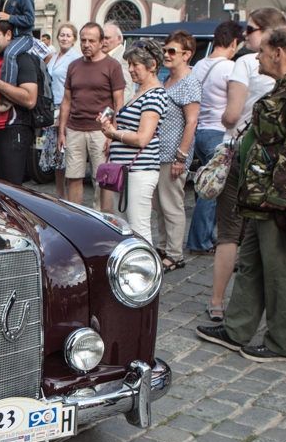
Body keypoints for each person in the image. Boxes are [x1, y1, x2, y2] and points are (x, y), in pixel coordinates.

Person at [196, 27, 286, 363]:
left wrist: (280, 196)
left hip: (275, 197)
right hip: (257, 194)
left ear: (279, 52)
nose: (257, 58)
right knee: (251, 263)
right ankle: (237, 329)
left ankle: (283, 343)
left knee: (280, 268)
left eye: (263, 51)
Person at [202, 9, 286, 323]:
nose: (244, 35)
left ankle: (217, 303)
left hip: (241, 152)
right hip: (276, 160)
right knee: (263, 235)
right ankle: (260, 311)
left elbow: (231, 115)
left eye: (249, 29)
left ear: (265, 31)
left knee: (228, 233)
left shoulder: (247, 63)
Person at [186, 21, 243, 273]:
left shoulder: (200, 64)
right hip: (218, 132)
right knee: (212, 190)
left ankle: (202, 235)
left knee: (202, 186)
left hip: (199, 131)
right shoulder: (230, 67)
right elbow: (235, 105)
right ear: (234, 42)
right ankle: (200, 240)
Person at [98, 40, 168, 242]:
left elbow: (142, 138)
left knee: (138, 228)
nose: (130, 70)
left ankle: (147, 270)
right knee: (124, 226)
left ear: (152, 65)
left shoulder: (154, 95)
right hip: (125, 171)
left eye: (136, 65)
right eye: (129, 64)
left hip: (139, 171)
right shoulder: (140, 92)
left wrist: (114, 134)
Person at [58, 23, 125, 211]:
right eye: (84, 40)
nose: (86, 44)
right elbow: (66, 101)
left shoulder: (112, 66)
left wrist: (113, 133)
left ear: (102, 42)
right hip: (74, 129)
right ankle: (75, 218)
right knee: (73, 177)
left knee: (103, 181)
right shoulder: (74, 65)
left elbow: (118, 103)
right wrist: (62, 131)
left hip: (101, 132)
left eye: (91, 41)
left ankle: (105, 221)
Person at [154, 30, 201, 273]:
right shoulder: (167, 79)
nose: (166, 54)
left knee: (172, 204)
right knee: (160, 205)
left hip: (173, 155)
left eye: (172, 51)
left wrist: (181, 157)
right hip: (159, 153)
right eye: (165, 50)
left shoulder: (189, 82)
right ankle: (163, 247)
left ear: (187, 55)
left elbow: (192, 122)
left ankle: (175, 254)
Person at [0, 17, 38, 185]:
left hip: (12, 131)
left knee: (10, 190)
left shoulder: (22, 59)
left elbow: (30, 99)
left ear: (8, 34)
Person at [41, 23, 81, 200]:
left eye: (68, 35)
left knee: (63, 151)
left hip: (64, 106)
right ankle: (59, 192)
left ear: (74, 39)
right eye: (62, 35)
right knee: (56, 154)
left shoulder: (75, 59)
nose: (64, 38)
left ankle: (65, 193)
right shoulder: (54, 56)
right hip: (52, 107)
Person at [102, 22, 135, 105]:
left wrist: (112, 113)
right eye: (101, 38)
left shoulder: (123, 57)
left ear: (119, 39)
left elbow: (127, 90)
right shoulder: (104, 56)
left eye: (107, 38)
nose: (103, 41)